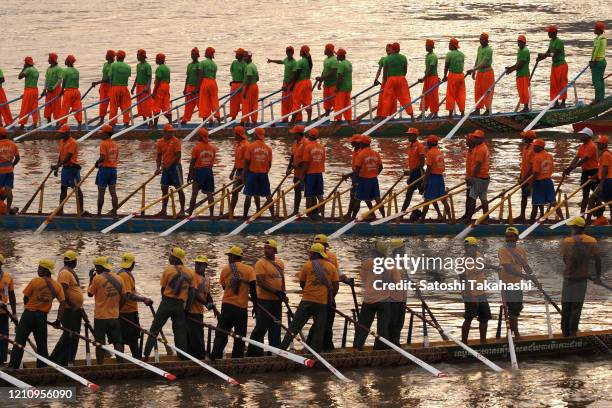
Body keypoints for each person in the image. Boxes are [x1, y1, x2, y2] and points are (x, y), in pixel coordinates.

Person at [279, 243, 339, 353]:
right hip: (322, 303)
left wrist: (309, 290)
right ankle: (314, 354)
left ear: (315, 254)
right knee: (319, 330)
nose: (309, 254)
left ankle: (281, 350)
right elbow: (335, 287)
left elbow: (302, 283)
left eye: (310, 252)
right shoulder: (331, 267)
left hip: (307, 301)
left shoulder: (307, 265)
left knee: (294, 327)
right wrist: (328, 297)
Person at [9, 259, 65, 369]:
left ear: (46, 271)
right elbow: (63, 303)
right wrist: (58, 320)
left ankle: (13, 367)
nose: (38, 270)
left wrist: (29, 308)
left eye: (40, 268)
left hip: (28, 316)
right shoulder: (57, 286)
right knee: (42, 345)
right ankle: (42, 368)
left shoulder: (35, 281)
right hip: (42, 318)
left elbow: (26, 297)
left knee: (19, 341)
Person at [143, 247, 196, 360]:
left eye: (171, 256)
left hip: (167, 302)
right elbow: (191, 293)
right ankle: (182, 357)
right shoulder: (190, 273)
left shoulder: (168, 271)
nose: (169, 258)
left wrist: (165, 302)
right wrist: (187, 308)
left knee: (155, 328)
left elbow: (163, 289)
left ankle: (146, 355)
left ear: (176, 259)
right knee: (180, 332)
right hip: (180, 305)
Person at [211, 246, 257, 359]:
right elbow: (253, 291)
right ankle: (237, 360)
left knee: (221, 333)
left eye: (229, 256)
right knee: (240, 337)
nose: (228, 258)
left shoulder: (226, 269)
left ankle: (215, 357)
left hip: (227, 306)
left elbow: (224, 287)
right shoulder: (249, 270)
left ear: (233, 257)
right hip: (241, 308)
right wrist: (255, 306)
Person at [560, 217, 602, 337]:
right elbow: (597, 260)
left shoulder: (567, 241)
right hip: (582, 278)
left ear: (577, 227)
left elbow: (565, 260)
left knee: (566, 305)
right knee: (576, 306)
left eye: (572, 226)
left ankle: (565, 333)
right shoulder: (592, 241)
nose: (570, 228)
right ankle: (573, 332)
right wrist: (597, 277)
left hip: (568, 278)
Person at [246, 239, 286, 357]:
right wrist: (275, 291)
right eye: (265, 248)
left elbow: (282, 280)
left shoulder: (280, 263)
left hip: (277, 301)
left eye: (269, 248)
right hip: (264, 300)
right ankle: (253, 352)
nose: (266, 250)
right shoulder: (260, 263)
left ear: (275, 250)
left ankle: (274, 352)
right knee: (261, 327)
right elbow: (261, 282)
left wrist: (283, 294)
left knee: (276, 327)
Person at [87, 256, 125, 364]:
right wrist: (118, 309)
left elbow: (90, 294)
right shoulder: (119, 278)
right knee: (117, 342)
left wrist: (91, 278)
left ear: (100, 267)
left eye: (96, 267)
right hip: (114, 316)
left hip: (100, 317)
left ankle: (100, 365)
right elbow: (124, 297)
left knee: (99, 344)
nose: (95, 269)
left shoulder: (97, 279)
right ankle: (121, 365)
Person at [353, 241, 391, 351]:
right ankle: (380, 349)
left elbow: (363, 279)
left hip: (368, 299)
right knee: (383, 326)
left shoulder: (368, 262)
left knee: (363, 325)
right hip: (384, 300)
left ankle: (357, 346)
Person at [50, 250, 83, 365]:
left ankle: (66, 361)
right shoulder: (65, 273)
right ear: (74, 261)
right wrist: (73, 305)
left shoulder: (69, 272)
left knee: (73, 336)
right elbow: (62, 294)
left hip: (74, 310)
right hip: (69, 310)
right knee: (69, 335)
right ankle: (54, 360)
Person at [116, 252, 153, 359]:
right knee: (131, 340)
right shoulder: (124, 275)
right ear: (133, 264)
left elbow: (130, 292)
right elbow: (128, 295)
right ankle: (134, 361)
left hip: (125, 312)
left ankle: (126, 360)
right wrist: (143, 299)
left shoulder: (121, 273)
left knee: (128, 339)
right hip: (127, 312)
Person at [498, 227, 531, 339]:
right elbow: (508, 269)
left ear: (516, 238)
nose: (509, 239)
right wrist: (524, 276)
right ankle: (516, 334)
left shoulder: (521, 250)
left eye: (512, 236)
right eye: (507, 237)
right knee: (512, 310)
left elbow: (525, 266)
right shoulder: (503, 250)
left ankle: (510, 336)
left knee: (516, 309)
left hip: (517, 284)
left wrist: (532, 276)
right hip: (508, 284)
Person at [459, 237, 490, 344]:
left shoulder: (479, 255)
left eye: (471, 247)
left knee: (485, 316)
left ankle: (483, 342)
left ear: (475, 247)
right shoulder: (462, 262)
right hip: (469, 293)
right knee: (469, 317)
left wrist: (496, 268)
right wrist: (471, 296)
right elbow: (463, 280)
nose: (468, 249)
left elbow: (482, 266)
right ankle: (464, 342)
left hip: (481, 292)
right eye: (466, 247)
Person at [564, 128, 599, 212]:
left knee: (596, 196)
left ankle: (599, 215)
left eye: (582, 134)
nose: (580, 136)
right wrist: (568, 168)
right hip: (585, 172)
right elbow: (576, 158)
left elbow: (584, 159)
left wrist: (572, 168)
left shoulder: (592, 146)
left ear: (587, 136)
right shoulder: (582, 146)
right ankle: (582, 215)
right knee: (585, 195)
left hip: (593, 172)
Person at [351, 135, 385, 219]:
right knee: (377, 198)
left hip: (363, 180)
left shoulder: (360, 154)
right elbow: (381, 167)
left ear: (362, 143)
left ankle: (352, 218)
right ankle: (384, 217)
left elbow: (357, 170)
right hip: (374, 180)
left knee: (357, 199)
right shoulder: (376, 153)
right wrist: (374, 174)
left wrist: (355, 182)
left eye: (360, 143)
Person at [52, 125, 84, 215]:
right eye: (61, 133)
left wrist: (57, 165)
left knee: (77, 189)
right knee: (63, 189)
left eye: (63, 133)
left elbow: (68, 157)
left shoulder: (73, 142)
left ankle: (80, 210)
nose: (61, 135)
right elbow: (61, 155)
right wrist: (57, 168)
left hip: (72, 169)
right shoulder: (62, 141)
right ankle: (60, 210)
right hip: (65, 169)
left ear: (68, 133)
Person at [529, 139, 564, 222]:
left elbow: (536, 173)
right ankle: (563, 219)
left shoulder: (537, 157)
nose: (533, 147)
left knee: (535, 204)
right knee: (553, 202)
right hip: (548, 181)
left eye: (535, 146)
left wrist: (530, 185)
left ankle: (530, 223)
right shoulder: (550, 156)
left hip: (539, 183)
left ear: (539, 147)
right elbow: (552, 169)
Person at [242, 128, 273, 218]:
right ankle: (273, 216)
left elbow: (246, 162)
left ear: (255, 135)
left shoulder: (250, 147)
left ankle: (244, 216)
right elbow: (269, 164)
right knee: (268, 195)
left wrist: (244, 175)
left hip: (253, 173)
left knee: (248, 195)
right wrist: (264, 171)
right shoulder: (268, 148)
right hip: (263, 174)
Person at [155, 124, 185, 216]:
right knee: (164, 188)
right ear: (164, 132)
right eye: (169, 132)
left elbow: (178, 155)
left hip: (175, 167)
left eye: (172, 132)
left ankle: (182, 210)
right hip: (166, 168)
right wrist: (158, 168)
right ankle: (163, 210)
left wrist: (169, 165)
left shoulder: (176, 141)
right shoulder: (160, 142)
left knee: (179, 188)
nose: (171, 133)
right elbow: (159, 156)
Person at [420, 135, 452, 222]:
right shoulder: (439, 152)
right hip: (440, 178)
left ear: (430, 143)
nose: (426, 144)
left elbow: (429, 168)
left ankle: (422, 219)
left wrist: (425, 181)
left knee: (427, 199)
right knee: (442, 199)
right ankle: (449, 218)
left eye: (427, 142)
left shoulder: (430, 153)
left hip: (433, 178)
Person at [186, 255, 212, 359]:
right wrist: (206, 303)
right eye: (197, 263)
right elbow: (195, 293)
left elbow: (208, 294)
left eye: (200, 264)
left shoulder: (206, 279)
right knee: (196, 336)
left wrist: (213, 307)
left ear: (205, 266)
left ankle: (195, 356)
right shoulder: (193, 276)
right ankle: (199, 357)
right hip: (191, 311)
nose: (198, 266)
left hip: (199, 312)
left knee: (197, 335)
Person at [537, 25, 568, 109]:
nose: (548, 34)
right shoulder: (551, 42)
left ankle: (563, 103)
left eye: (549, 32)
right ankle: (556, 103)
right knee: (554, 84)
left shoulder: (559, 42)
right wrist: (541, 58)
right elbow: (548, 52)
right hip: (554, 65)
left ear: (553, 33)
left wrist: (544, 55)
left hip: (561, 65)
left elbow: (554, 54)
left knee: (562, 84)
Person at [187, 128, 217, 215]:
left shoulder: (196, 148)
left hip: (198, 172)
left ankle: (190, 214)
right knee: (209, 194)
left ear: (200, 136)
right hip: (208, 171)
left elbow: (192, 163)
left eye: (198, 135)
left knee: (194, 194)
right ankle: (211, 214)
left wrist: (190, 174)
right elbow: (212, 160)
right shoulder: (213, 148)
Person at [382, 42, 414, 120]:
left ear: (392, 49)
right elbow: (405, 70)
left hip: (391, 79)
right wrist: (401, 77)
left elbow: (385, 73)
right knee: (405, 97)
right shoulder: (403, 58)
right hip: (401, 78)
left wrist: (385, 83)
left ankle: (384, 116)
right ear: (399, 49)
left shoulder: (387, 59)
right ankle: (412, 115)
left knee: (387, 97)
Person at [465, 129, 490, 221]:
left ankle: (468, 219)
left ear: (482, 138)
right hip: (483, 177)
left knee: (472, 198)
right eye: (474, 137)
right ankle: (486, 218)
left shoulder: (481, 149)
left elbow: (478, 165)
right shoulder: (480, 147)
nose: (475, 139)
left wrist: (472, 177)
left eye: (477, 138)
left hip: (479, 177)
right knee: (483, 198)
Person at [267, 46, 298, 121]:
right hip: (285, 83)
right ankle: (285, 118)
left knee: (292, 102)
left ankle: (296, 119)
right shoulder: (286, 60)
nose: (289, 53)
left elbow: (294, 76)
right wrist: (271, 61)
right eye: (288, 52)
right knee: (284, 101)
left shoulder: (294, 62)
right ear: (286, 52)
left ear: (293, 53)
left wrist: (288, 86)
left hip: (291, 84)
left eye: (290, 52)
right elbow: (280, 62)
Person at [466, 33, 494, 115]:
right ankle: (477, 109)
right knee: (478, 91)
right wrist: (474, 71)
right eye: (480, 39)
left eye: (483, 39)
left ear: (487, 40)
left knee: (487, 91)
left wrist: (473, 69)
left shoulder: (489, 50)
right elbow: (477, 59)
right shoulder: (479, 48)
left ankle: (488, 110)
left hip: (487, 72)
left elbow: (484, 63)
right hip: (479, 72)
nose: (481, 41)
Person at [301, 128, 326, 219]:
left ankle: (309, 217)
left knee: (309, 196)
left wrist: (302, 175)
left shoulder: (307, 147)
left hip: (310, 174)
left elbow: (306, 163)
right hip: (319, 173)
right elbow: (323, 160)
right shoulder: (322, 147)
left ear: (309, 136)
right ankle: (323, 217)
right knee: (320, 195)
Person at [95, 124, 119, 216]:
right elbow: (116, 158)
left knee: (101, 192)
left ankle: (99, 214)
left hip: (104, 170)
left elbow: (102, 157)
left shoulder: (103, 144)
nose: (100, 135)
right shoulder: (115, 145)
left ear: (106, 134)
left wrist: (97, 163)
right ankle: (115, 214)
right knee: (113, 192)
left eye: (102, 133)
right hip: (113, 170)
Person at [401, 127, 425, 212]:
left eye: (410, 135)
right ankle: (402, 213)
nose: (408, 137)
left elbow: (422, 163)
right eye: (408, 135)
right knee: (408, 194)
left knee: (427, 195)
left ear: (415, 136)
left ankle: (439, 214)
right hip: (413, 173)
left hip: (419, 174)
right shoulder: (410, 146)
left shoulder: (420, 146)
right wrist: (410, 172)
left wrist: (411, 171)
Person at [505, 35, 531, 112]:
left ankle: (526, 108)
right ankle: (525, 107)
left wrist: (511, 70)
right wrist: (510, 68)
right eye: (518, 42)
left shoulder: (525, 51)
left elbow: (520, 64)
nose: (519, 43)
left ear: (524, 43)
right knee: (521, 92)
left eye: (521, 42)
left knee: (524, 91)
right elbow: (517, 64)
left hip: (524, 74)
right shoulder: (520, 50)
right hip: (519, 74)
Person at [515, 130, 536, 222]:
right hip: (524, 177)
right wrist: (521, 177)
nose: (522, 138)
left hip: (530, 178)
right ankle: (522, 215)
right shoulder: (525, 148)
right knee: (523, 197)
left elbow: (532, 167)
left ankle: (535, 218)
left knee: (535, 198)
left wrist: (525, 178)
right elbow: (524, 165)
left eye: (524, 137)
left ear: (528, 138)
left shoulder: (533, 149)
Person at [288, 45, 313, 123]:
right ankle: (309, 120)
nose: (299, 52)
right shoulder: (309, 62)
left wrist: (291, 86)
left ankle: (292, 121)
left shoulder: (300, 62)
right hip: (308, 82)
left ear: (303, 52)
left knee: (296, 101)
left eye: (300, 50)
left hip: (300, 83)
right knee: (307, 101)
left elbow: (296, 75)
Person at [443, 38, 466, 119]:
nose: (448, 45)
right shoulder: (462, 54)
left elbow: (446, 66)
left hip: (453, 75)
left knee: (451, 94)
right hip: (461, 76)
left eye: (449, 44)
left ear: (452, 45)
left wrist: (445, 76)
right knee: (461, 94)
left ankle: (450, 115)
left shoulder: (449, 54)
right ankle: (462, 113)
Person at [108, 50, 132, 127]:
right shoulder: (128, 67)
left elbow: (110, 77)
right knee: (126, 105)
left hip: (115, 87)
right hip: (124, 88)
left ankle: (112, 123)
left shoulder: (113, 65)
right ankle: (126, 122)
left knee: (113, 106)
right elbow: (128, 76)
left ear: (117, 57)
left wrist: (111, 87)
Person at [0, 254, 16, 364]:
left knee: (4, 337)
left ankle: (2, 360)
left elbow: (11, 295)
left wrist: (14, 313)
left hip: (3, 313)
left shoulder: (7, 277)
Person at [228, 126, 248, 215]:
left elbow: (248, 162)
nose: (233, 135)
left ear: (238, 134)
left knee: (249, 193)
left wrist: (243, 175)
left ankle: (245, 215)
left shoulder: (246, 145)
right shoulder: (238, 145)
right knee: (234, 192)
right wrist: (233, 171)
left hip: (245, 171)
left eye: (234, 133)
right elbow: (237, 160)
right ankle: (231, 212)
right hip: (238, 171)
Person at [590, 135, 611, 220]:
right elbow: (602, 169)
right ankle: (600, 217)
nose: (597, 145)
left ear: (604, 144)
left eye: (599, 143)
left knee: (592, 199)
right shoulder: (606, 153)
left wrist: (601, 184)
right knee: (609, 203)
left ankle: (597, 216)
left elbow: (605, 170)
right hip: (607, 180)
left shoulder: (605, 155)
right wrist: (594, 177)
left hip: (607, 181)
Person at [91, 50, 115, 125]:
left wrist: (97, 82)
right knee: (102, 104)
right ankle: (101, 120)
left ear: (110, 57)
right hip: (103, 86)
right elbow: (103, 76)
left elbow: (108, 78)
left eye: (107, 55)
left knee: (111, 104)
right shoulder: (105, 64)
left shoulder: (113, 66)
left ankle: (112, 121)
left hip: (110, 86)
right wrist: (100, 87)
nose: (105, 56)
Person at [287, 125, 306, 215]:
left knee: (309, 193)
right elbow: (292, 156)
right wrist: (289, 168)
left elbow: (307, 160)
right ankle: (295, 211)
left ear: (298, 134)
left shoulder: (306, 143)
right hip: (296, 173)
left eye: (294, 133)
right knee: (297, 192)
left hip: (304, 173)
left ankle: (312, 213)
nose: (292, 135)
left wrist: (298, 165)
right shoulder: (295, 142)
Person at [198, 47, 221, 124]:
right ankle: (218, 117)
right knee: (214, 101)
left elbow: (201, 75)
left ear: (208, 53)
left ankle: (205, 121)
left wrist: (198, 87)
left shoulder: (203, 63)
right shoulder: (214, 64)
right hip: (213, 83)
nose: (204, 53)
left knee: (204, 102)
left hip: (205, 81)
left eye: (205, 52)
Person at [60, 55, 83, 129]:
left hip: (68, 92)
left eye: (66, 60)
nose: (65, 61)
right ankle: (79, 124)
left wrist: (62, 91)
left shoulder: (65, 70)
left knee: (65, 108)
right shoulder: (76, 71)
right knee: (78, 108)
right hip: (76, 92)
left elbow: (64, 81)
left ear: (68, 62)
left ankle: (62, 125)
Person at [418, 39, 440, 119]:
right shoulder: (428, 55)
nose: (425, 47)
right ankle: (422, 113)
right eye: (425, 45)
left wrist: (423, 78)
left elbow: (431, 68)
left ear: (431, 47)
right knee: (425, 95)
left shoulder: (433, 56)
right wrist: (425, 78)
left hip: (432, 78)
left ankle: (435, 113)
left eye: (427, 46)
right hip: (428, 78)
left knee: (433, 95)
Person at [315, 44, 338, 116]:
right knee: (326, 102)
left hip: (333, 85)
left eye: (325, 49)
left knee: (334, 102)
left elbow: (333, 73)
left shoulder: (334, 60)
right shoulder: (326, 60)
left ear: (329, 50)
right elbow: (324, 71)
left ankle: (337, 118)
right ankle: (326, 117)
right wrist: (320, 82)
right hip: (326, 85)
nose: (324, 50)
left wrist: (322, 78)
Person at [17, 56, 40, 129]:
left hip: (29, 90)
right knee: (34, 107)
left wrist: (23, 68)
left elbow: (19, 77)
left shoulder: (28, 69)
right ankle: (35, 123)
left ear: (26, 63)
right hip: (35, 90)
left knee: (25, 107)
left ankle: (22, 125)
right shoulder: (36, 70)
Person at [131, 49, 152, 123]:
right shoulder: (138, 65)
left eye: (138, 55)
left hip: (145, 87)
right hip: (138, 86)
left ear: (142, 56)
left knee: (147, 104)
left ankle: (151, 121)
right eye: (137, 55)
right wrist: (133, 87)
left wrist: (148, 87)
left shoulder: (147, 66)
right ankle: (144, 121)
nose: (137, 57)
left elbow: (149, 77)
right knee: (140, 104)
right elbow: (137, 76)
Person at [0, 127, 20, 209]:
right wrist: (13, 165)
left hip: (0, 171)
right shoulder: (12, 144)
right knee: (8, 190)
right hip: (9, 170)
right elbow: (18, 158)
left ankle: (2, 208)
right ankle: (7, 209)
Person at [180, 48, 201, 124]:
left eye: (194, 54)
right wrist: (185, 88)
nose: (193, 56)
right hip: (189, 86)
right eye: (192, 54)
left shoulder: (199, 65)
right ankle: (185, 119)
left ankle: (209, 119)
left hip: (196, 87)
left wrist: (197, 88)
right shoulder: (189, 65)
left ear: (197, 55)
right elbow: (187, 77)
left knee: (200, 104)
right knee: (188, 104)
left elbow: (200, 77)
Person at [42, 53, 63, 123]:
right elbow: (46, 79)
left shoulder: (58, 69)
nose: (48, 60)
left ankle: (58, 122)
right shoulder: (48, 69)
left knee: (56, 107)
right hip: (49, 91)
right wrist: (44, 89)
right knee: (47, 106)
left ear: (53, 60)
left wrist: (53, 88)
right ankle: (48, 122)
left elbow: (60, 79)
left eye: (49, 58)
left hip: (56, 90)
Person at [152, 53, 172, 127]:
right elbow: (169, 80)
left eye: (157, 59)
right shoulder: (167, 68)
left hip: (160, 87)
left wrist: (154, 92)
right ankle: (170, 122)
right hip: (167, 86)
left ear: (160, 60)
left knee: (157, 105)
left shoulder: (159, 69)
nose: (156, 60)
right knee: (166, 105)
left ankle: (155, 125)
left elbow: (157, 81)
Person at [373, 44, 393, 119]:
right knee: (381, 98)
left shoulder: (393, 59)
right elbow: (379, 70)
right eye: (386, 49)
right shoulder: (383, 59)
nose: (387, 51)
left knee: (391, 98)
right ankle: (379, 114)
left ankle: (390, 115)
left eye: (389, 49)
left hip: (391, 82)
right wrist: (376, 79)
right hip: (384, 82)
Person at [590, 21, 607, 104]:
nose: (594, 29)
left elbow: (595, 51)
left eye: (595, 28)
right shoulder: (604, 38)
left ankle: (597, 99)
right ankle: (602, 97)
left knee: (596, 81)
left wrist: (592, 61)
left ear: (599, 30)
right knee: (600, 80)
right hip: (603, 61)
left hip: (598, 62)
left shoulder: (598, 39)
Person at [334, 48, 352, 121]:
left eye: (337, 55)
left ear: (340, 56)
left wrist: (337, 88)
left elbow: (340, 78)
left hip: (342, 88)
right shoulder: (348, 63)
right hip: (348, 87)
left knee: (339, 105)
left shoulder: (341, 65)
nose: (336, 57)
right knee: (347, 105)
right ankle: (348, 119)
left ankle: (337, 120)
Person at [241, 51, 259, 123]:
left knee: (246, 104)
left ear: (249, 57)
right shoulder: (254, 66)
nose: (244, 58)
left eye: (245, 57)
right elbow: (257, 78)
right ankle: (254, 121)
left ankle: (244, 121)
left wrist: (245, 91)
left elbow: (249, 78)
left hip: (249, 87)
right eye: (243, 56)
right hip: (255, 86)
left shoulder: (248, 67)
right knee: (254, 104)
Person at [229, 48, 246, 120]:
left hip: (242, 84)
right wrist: (233, 80)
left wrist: (242, 84)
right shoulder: (234, 63)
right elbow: (232, 71)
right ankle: (233, 117)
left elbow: (245, 75)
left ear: (241, 55)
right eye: (236, 53)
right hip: (234, 84)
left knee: (244, 102)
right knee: (233, 102)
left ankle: (244, 118)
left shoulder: (244, 64)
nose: (236, 55)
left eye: (237, 54)